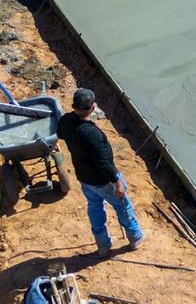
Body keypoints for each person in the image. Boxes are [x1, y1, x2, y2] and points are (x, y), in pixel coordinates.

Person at [57, 88, 145, 251]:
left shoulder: (66, 120)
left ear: (73, 106)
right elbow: (103, 163)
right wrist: (117, 182)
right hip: (104, 181)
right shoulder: (92, 134)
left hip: (85, 178)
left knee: (95, 208)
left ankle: (103, 246)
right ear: (92, 108)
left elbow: (60, 134)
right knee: (123, 207)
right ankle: (135, 238)